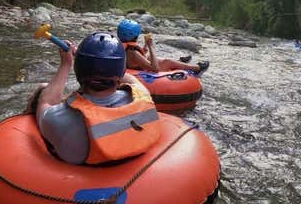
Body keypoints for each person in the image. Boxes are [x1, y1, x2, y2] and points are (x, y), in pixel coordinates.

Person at [27, 31, 161, 165]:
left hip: (82, 171)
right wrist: (105, 63)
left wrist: (66, 63)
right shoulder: (143, 94)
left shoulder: (59, 117)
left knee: (43, 88)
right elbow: (130, 79)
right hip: (134, 167)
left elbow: (46, 102)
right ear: (120, 71)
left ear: (78, 70)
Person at [116, 18, 209, 75]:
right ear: (135, 35)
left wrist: (145, 46)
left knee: (150, 57)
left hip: (136, 66)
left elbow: (138, 57)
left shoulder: (125, 47)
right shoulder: (133, 52)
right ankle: (197, 68)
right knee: (168, 62)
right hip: (143, 71)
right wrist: (151, 46)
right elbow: (155, 69)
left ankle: (179, 62)